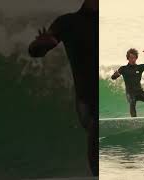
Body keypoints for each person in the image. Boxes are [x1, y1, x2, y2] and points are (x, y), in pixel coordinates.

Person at [28, 0, 98, 177]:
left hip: (108, 93)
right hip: (87, 100)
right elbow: (37, 50)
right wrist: (40, 45)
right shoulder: (68, 22)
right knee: (97, 126)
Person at [111, 48, 144, 117]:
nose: (132, 59)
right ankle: (134, 120)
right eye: (131, 58)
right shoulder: (123, 69)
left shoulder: (140, 67)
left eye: (134, 58)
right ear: (128, 58)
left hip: (139, 92)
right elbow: (113, 78)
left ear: (136, 58)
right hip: (130, 93)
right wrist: (114, 75)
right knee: (132, 102)